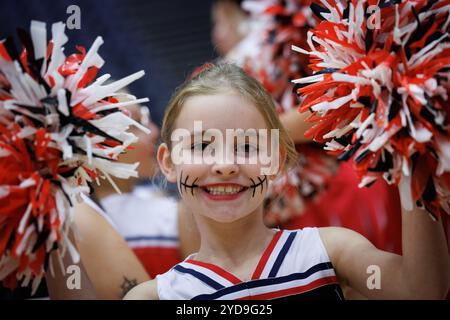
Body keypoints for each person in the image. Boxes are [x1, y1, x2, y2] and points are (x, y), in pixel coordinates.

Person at [123, 63, 450, 300]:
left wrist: (412, 155)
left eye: (247, 146)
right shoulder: (155, 297)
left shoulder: (328, 252)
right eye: (199, 146)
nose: (224, 165)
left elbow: (421, 289)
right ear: (168, 161)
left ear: (276, 161)